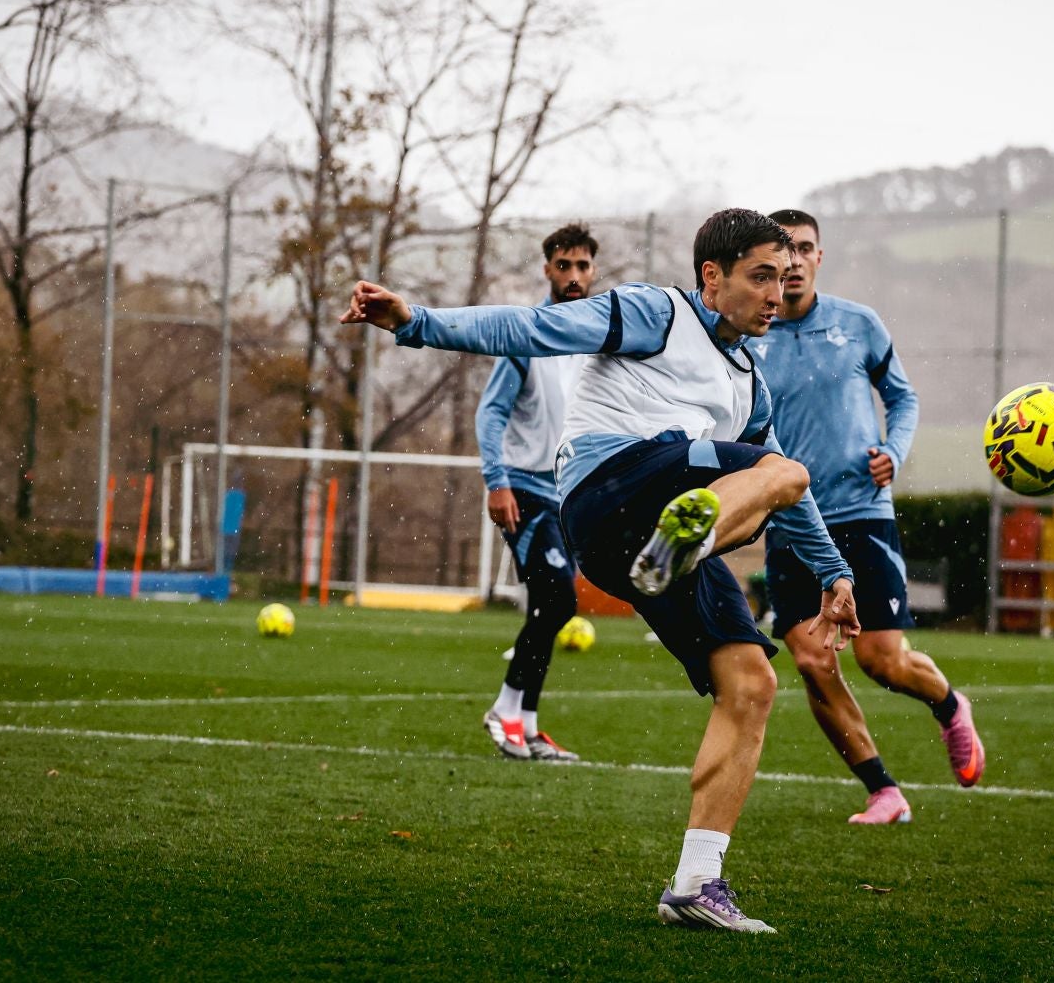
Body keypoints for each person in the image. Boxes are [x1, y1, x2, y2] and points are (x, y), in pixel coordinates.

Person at [343, 208, 858, 934]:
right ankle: (684, 539)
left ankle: (696, 884)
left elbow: (782, 489)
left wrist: (835, 576)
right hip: (612, 487)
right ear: (712, 278)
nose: (778, 293)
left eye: (784, 278)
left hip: (650, 544)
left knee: (750, 683)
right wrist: (415, 321)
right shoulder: (657, 313)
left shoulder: (751, 387)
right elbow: (532, 329)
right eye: (761, 276)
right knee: (784, 470)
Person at [750, 209, 983, 826]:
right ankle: (883, 790)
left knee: (881, 661)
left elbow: (903, 397)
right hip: (792, 521)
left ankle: (949, 705)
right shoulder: (749, 335)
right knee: (811, 661)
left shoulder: (858, 324)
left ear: (819, 257)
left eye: (804, 248)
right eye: (783, 252)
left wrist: (894, 452)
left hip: (861, 512)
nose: (794, 262)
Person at [477, 223, 598, 762]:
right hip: (524, 490)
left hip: (570, 497)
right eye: (563, 265)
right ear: (547, 269)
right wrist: (496, 481)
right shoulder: (528, 335)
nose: (573, 275)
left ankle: (525, 725)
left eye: (582, 266)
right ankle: (504, 708)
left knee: (551, 607)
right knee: (557, 598)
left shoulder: (597, 340)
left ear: (593, 271)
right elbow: (491, 412)